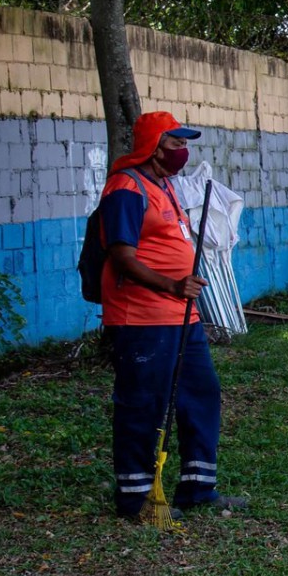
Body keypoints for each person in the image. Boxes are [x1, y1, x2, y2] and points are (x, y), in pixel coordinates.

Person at [98, 110, 245, 521]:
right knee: (143, 404)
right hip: (143, 318)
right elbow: (122, 257)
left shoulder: (163, 185)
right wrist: (171, 285)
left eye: (184, 144)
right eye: (176, 144)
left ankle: (198, 488)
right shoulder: (125, 188)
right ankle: (136, 498)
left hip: (183, 317)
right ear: (154, 147)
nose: (184, 152)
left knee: (201, 392)